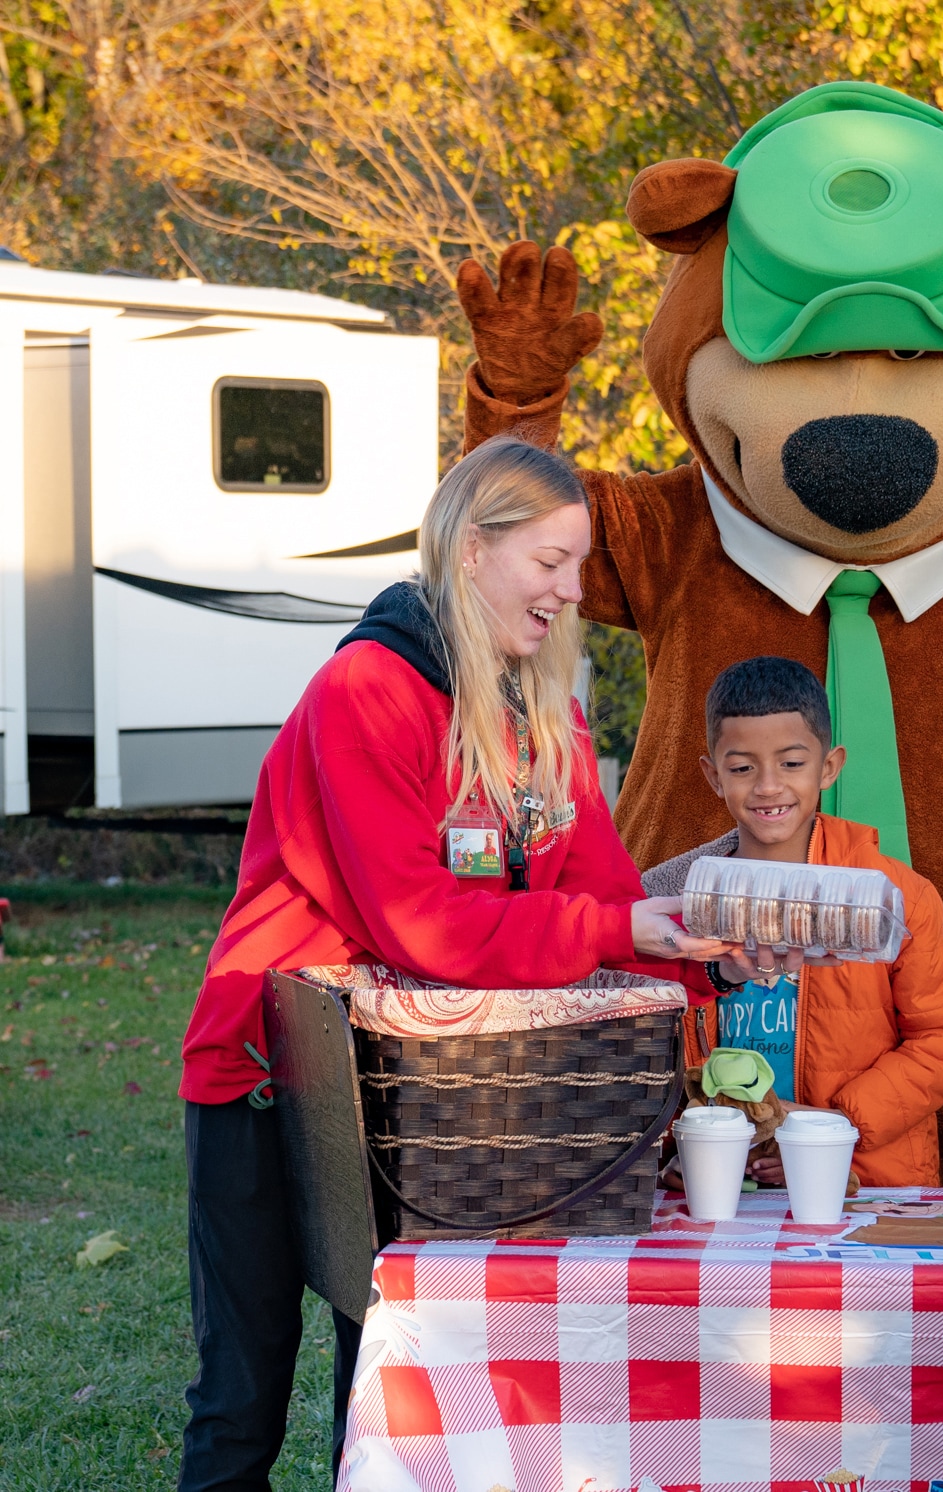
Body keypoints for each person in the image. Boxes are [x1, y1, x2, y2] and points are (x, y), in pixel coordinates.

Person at [177, 437, 742, 1492]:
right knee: (242, 1395)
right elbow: (422, 927)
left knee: (387, 1393)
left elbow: (610, 898)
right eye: (550, 560)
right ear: (473, 548)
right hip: (275, 1072)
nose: (572, 590)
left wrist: (707, 950)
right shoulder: (368, 688)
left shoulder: (549, 708)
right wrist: (621, 933)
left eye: (578, 565)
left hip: (431, 1090)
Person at [645, 655, 943, 1187]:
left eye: (791, 763)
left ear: (829, 767)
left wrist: (832, 1128)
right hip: (718, 1178)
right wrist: (687, 1140)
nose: (767, 787)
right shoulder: (675, 900)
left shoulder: (892, 898)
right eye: (742, 768)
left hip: (860, 1180)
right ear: (713, 775)